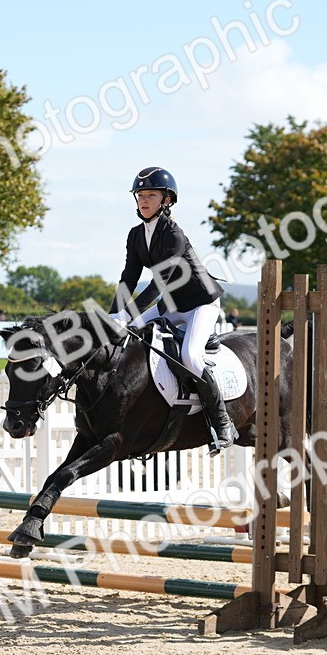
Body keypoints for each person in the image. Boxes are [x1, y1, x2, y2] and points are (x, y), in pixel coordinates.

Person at [109, 166, 235, 453]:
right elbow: (128, 278)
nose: (143, 200)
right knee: (128, 336)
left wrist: (128, 314)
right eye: (140, 195)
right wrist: (115, 314)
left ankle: (222, 423)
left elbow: (159, 282)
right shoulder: (136, 235)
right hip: (171, 306)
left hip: (200, 304)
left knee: (190, 357)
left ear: (167, 200)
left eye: (151, 195)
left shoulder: (173, 234)